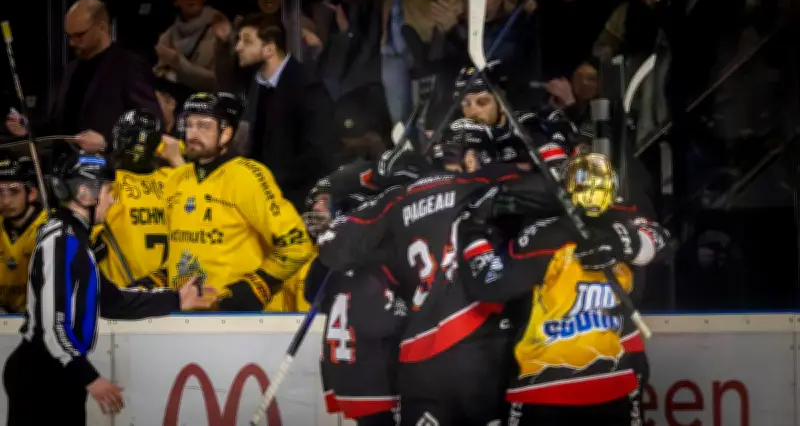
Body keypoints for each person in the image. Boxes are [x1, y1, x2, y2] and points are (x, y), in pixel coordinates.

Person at [316, 123, 561, 426]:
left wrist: (342, 194)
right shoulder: (485, 181)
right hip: (478, 350)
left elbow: (332, 246)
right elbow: (559, 190)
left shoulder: (399, 197)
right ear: (472, 159)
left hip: (418, 363)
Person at [2, 153, 217, 426]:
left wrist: (175, 300)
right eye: (107, 190)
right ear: (84, 193)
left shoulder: (75, 238)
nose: (112, 199)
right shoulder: (62, 241)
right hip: (42, 377)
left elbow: (112, 300)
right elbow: (52, 327)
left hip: (57, 374)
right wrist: (89, 377)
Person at [457, 152, 669, 425]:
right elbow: (659, 238)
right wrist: (624, 243)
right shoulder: (622, 226)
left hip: (545, 388)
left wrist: (473, 233)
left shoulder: (544, 235)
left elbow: (489, 285)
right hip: (613, 383)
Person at [133, 92, 315, 310]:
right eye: (189, 125)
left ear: (226, 133)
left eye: (203, 126)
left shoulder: (247, 176)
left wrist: (258, 285)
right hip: (187, 315)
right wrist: (157, 281)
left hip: (239, 321)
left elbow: (297, 244)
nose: (192, 134)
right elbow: (182, 254)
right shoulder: (176, 179)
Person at [303, 169, 406, 426]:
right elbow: (381, 321)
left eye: (324, 202)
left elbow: (312, 293)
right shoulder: (373, 260)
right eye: (315, 202)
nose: (316, 209)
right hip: (376, 374)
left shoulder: (334, 262)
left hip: (349, 375)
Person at [4, 0, 161, 156]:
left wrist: (107, 142)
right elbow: (58, 123)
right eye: (70, 36)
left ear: (102, 27)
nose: (72, 43)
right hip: (67, 166)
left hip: (108, 169)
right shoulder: (72, 69)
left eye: (79, 35)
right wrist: (28, 127)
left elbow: (150, 121)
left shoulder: (128, 65)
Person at [223, 14, 335, 209]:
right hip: (266, 196)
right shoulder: (258, 83)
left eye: (247, 41)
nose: (238, 47)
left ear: (269, 49)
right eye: (239, 40)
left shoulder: (306, 86)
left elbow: (318, 154)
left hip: (297, 200)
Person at [91, 109, 180, 287]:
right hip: (128, 294)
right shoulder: (106, 184)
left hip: (167, 293)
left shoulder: (106, 182)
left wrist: (176, 157)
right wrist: (177, 157)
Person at [153, 0, 231, 92]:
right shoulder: (168, 37)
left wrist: (180, 64)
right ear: (176, 1)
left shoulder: (221, 30)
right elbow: (161, 75)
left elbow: (222, 82)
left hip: (210, 104)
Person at [0, 153, 47, 313]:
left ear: (32, 193)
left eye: (14, 191)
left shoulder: (53, 225)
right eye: (0, 192)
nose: (6, 201)